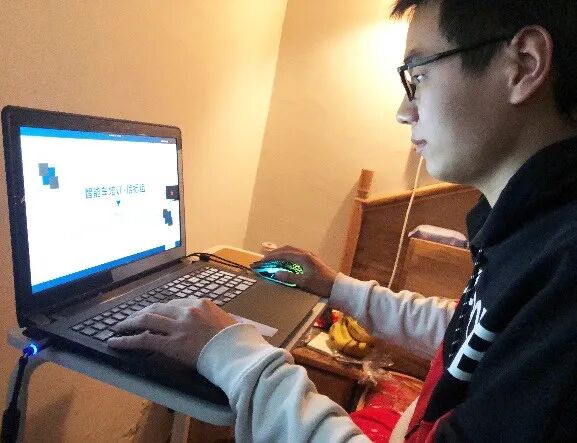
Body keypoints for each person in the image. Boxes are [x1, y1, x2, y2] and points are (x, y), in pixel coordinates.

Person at [108, 0, 577, 441]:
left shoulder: (565, 271)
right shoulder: (531, 231)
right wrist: (334, 285)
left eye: (419, 76)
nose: (404, 111)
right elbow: (468, 329)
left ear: (523, 64)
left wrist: (233, 354)